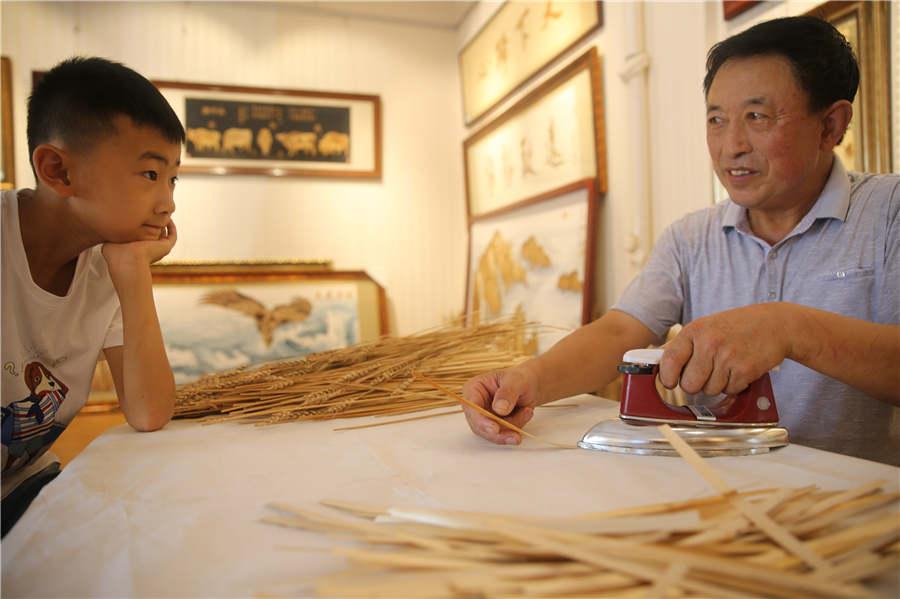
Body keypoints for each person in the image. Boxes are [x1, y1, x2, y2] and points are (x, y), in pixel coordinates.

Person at [461, 16, 900, 465]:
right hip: (713, 492)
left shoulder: (888, 213)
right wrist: (524, 380)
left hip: (854, 506)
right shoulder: (692, 238)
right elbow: (619, 331)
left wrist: (789, 328)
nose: (731, 145)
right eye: (716, 119)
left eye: (757, 116)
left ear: (831, 125)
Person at [1, 57, 184, 535]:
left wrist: (132, 271)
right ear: (58, 170)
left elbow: (148, 412)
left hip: (22, 489)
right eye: (150, 174)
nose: (167, 201)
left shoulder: (106, 263)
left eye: (173, 178)